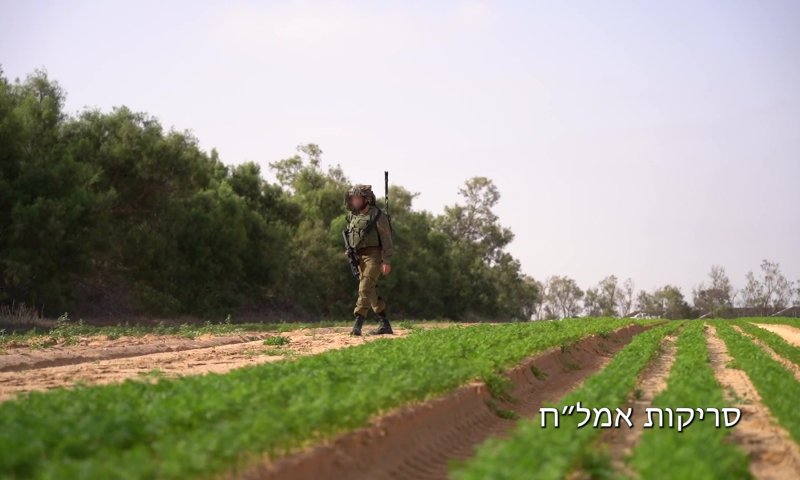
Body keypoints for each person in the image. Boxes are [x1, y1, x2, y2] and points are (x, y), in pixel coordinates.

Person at [344, 184, 394, 336]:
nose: (354, 201)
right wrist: (350, 250)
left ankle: (357, 324)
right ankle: (385, 324)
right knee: (370, 291)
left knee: (364, 287)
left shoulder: (378, 215)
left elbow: (387, 239)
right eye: (353, 198)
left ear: (366, 199)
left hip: (374, 256)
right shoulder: (353, 216)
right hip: (359, 257)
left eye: (357, 198)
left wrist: (386, 260)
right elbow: (352, 235)